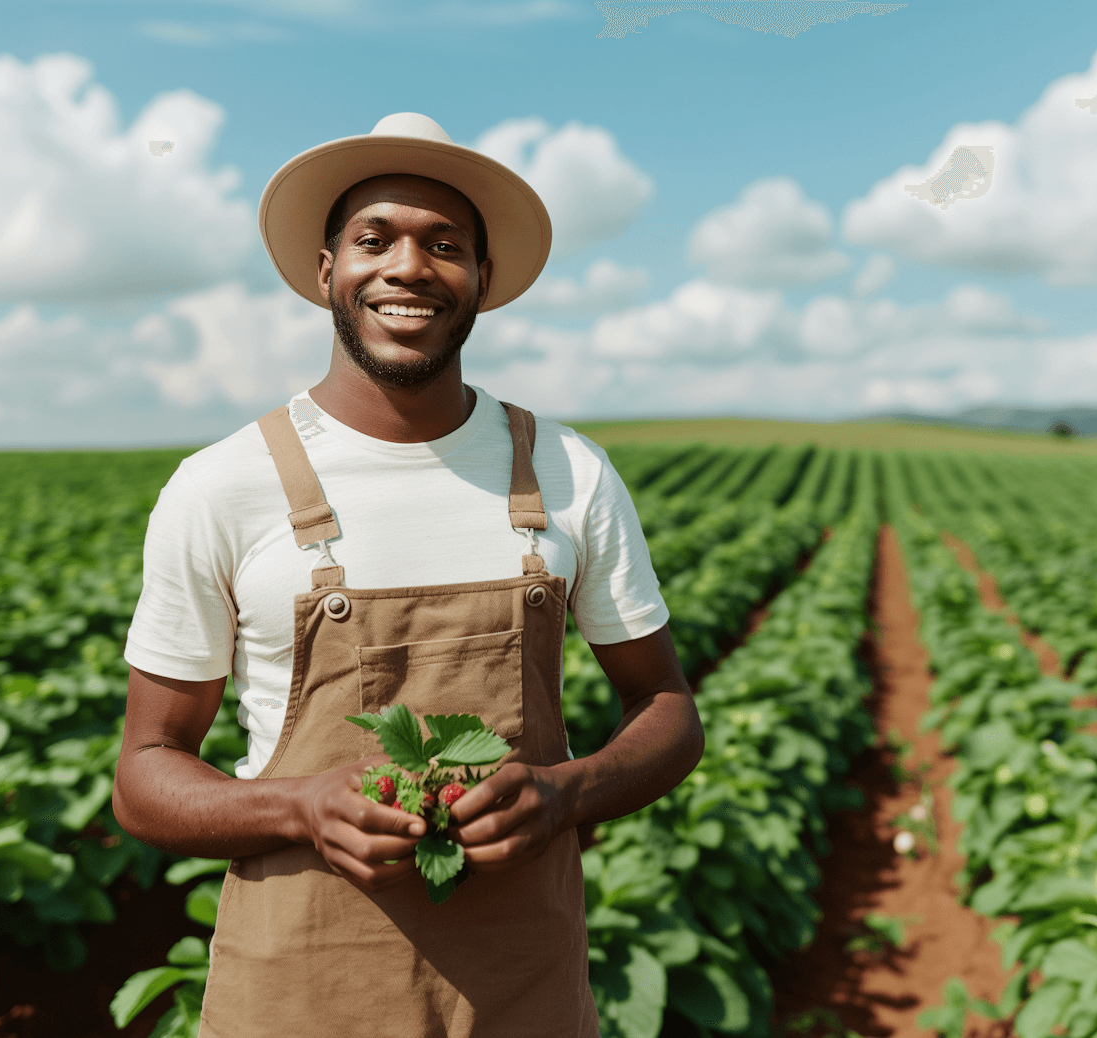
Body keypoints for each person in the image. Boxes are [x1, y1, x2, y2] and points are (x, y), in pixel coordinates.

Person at [112, 112, 704, 1037]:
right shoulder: (222, 485)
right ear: (326, 272)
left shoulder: (569, 470)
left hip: (523, 986)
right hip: (299, 993)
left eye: (445, 244)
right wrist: (302, 805)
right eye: (373, 239)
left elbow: (666, 708)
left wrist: (564, 794)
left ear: (483, 280)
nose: (408, 267)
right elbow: (145, 774)